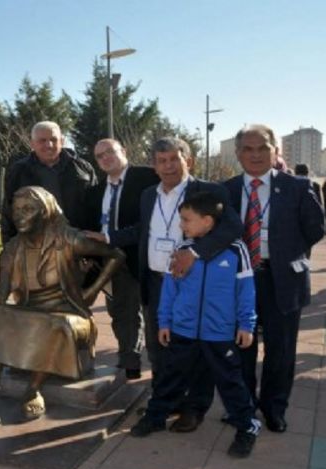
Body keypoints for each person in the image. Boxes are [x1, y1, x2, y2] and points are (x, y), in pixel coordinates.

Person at [0, 186, 125, 437]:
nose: (20, 215)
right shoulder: (12, 249)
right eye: (16, 210)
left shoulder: (68, 239)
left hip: (69, 316)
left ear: (46, 211)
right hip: (31, 312)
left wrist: (91, 292)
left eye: (28, 209)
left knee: (52, 323)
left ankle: (32, 388)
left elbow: (116, 254)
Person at [98, 136, 243, 433]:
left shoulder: (209, 190)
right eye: (161, 161)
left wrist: (195, 252)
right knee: (159, 347)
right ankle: (167, 400)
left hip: (193, 283)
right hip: (155, 281)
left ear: (187, 161)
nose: (168, 166)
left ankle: (194, 408)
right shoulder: (149, 194)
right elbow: (144, 229)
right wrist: (109, 237)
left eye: (174, 159)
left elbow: (232, 227)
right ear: (154, 165)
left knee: (194, 348)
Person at [129, 191, 262, 459]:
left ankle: (246, 426)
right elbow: (169, 291)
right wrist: (165, 322)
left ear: (208, 221)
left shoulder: (236, 251)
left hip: (220, 333)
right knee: (169, 377)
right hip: (183, 330)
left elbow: (246, 292)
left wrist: (246, 325)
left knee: (230, 382)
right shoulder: (182, 252)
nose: (181, 225)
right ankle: (156, 416)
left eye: (186, 219)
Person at [223, 124, 324, 433]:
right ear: (238, 154)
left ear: (275, 151)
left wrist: (284, 253)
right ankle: (243, 406)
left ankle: (274, 408)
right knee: (242, 348)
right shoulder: (225, 190)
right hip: (240, 282)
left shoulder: (297, 186)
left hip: (282, 280)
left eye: (263, 148)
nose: (256, 155)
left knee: (280, 350)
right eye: (248, 149)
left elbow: (315, 229)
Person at [86, 138, 159, 380]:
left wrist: (109, 237)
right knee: (121, 313)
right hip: (111, 263)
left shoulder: (147, 178)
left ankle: (162, 373)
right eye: (100, 156)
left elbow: (149, 222)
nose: (105, 158)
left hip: (145, 258)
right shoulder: (97, 192)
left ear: (124, 151)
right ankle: (130, 363)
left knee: (154, 317)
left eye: (110, 152)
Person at [1, 121, 97, 244]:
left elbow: (96, 210)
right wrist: (9, 248)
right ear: (32, 144)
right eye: (42, 140)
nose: (49, 145)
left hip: (77, 245)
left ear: (62, 141)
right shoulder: (18, 171)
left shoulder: (83, 169)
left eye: (54, 139)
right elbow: (8, 214)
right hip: (34, 247)